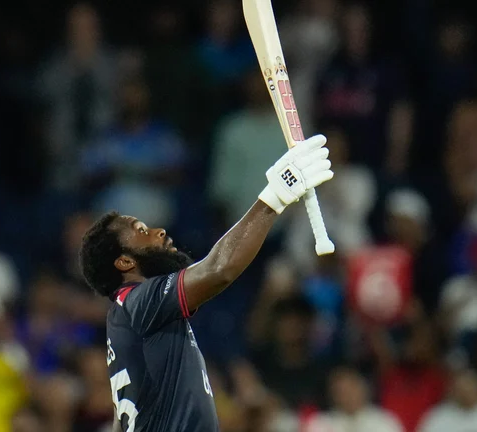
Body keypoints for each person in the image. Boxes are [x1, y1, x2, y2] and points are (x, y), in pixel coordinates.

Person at [79, 134, 334, 431]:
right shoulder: (137, 301)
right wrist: (275, 196)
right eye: (141, 230)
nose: (159, 231)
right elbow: (218, 269)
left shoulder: (127, 318)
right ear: (124, 262)